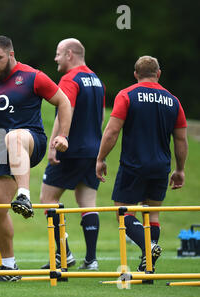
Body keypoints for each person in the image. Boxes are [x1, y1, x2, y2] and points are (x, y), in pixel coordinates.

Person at [0, 35, 72, 281]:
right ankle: (8, 266)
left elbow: (64, 102)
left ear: (11, 55)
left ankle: (24, 195)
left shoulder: (33, 76)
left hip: (31, 140)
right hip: (2, 148)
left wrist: (64, 136)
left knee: (14, 137)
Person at [96, 55, 188, 272]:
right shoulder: (173, 101)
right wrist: (180, 169)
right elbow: (181, 139)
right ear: (158, 74)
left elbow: (112, 131)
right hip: (161, 166)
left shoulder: (127, 95)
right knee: (152, 214)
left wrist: (100, 158)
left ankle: (149, 247)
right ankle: (149, 268)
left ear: (136, 74)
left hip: (133, 165)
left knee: (123, 213)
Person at [40, 38, 105, 271]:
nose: (55, 58)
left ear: (69, 54)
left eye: (58, 54)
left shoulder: (70, 79)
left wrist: (54, 143)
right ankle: (91, 260)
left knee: (48, 200)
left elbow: (66, 109)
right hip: (92, 151)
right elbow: (101, 117)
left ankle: (63, 254)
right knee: (88, 203)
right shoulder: (97, 80)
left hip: (70, 149)